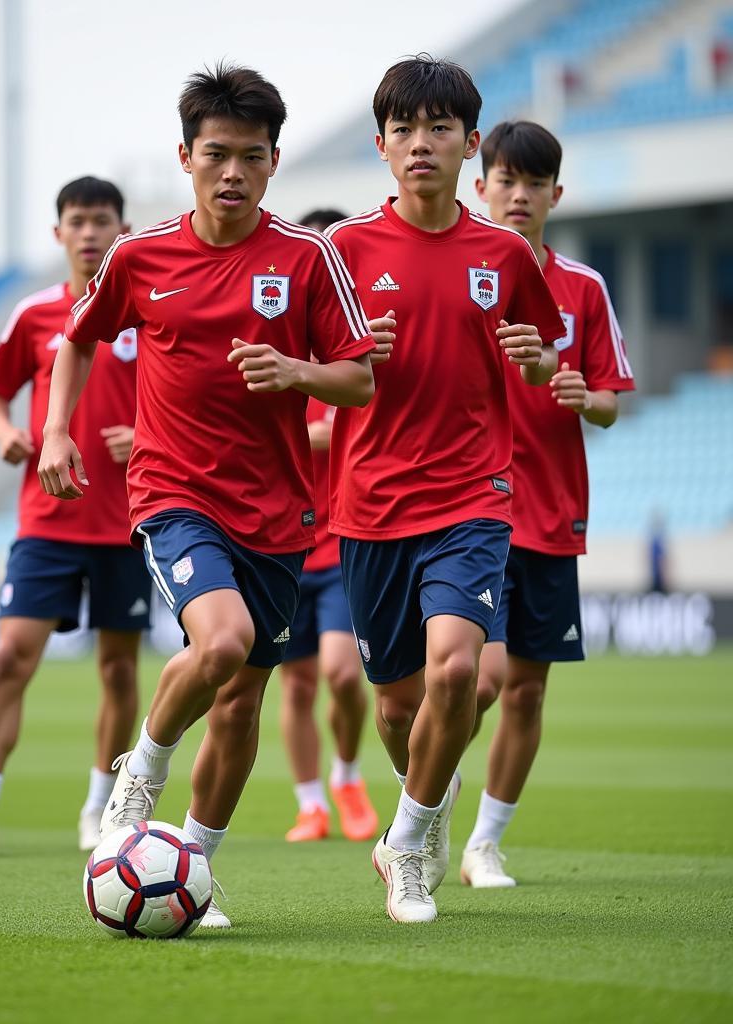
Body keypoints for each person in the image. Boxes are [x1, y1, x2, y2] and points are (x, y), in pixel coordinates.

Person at [38, 64, 379, 928]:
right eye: (216, 154)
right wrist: (55, 430)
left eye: (252, 157)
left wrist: (297, 370)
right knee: (220, 643)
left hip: (277, 514)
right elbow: (76, 341)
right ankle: (138, 776)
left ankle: (192, 866)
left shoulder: (307, 258)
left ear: (273, 165)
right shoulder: (141, 254)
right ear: (185, 156)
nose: (233, 171)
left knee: (242, 700)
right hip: (171, 491)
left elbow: (358, 380)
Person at [326, 55, 566, 923]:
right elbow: (314, 376)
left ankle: (410, 849)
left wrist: (533, 360)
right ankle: (422, 796)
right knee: (396, 707)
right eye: (404, 129)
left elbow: (540, 350)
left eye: (438, 129)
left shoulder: (505, 252)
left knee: (458, 670)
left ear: (470, 144)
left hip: (472, 498)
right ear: (381, 145)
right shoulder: (342, 251)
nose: (420, 144)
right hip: (368, 505)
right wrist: (342, 364)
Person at [0, 177, 150, 858]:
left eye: (100, 220)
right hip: (47, 520)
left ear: (121, 230)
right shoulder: (34, 315)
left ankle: (100, 810)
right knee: (13, 654)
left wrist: (148, 436)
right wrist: (2, 432)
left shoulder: (146, 311)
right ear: (58, 235)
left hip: (128, 519)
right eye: (75, 221)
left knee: (118, 669)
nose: (87, 233)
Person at [461, 120, 635, 887]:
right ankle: (428, 795)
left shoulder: (584, 288)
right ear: (482, 186)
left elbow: (611, 404)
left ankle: (483, 843)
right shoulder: (455, 271)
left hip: (552, 510)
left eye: (535, 183)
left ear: (556, 195)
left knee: (527, 688)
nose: (519, 194)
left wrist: (583, 395)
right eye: (506, 179)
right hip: (469, 504)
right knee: (481, 679)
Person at [279, 208, 377, 845]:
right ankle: (310, 803)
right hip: (285, 538)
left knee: (344, 674)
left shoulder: (357, 353)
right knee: (297, 682)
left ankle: (347, 774)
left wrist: (321, 432)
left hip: (343, 537)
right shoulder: (276, 344)